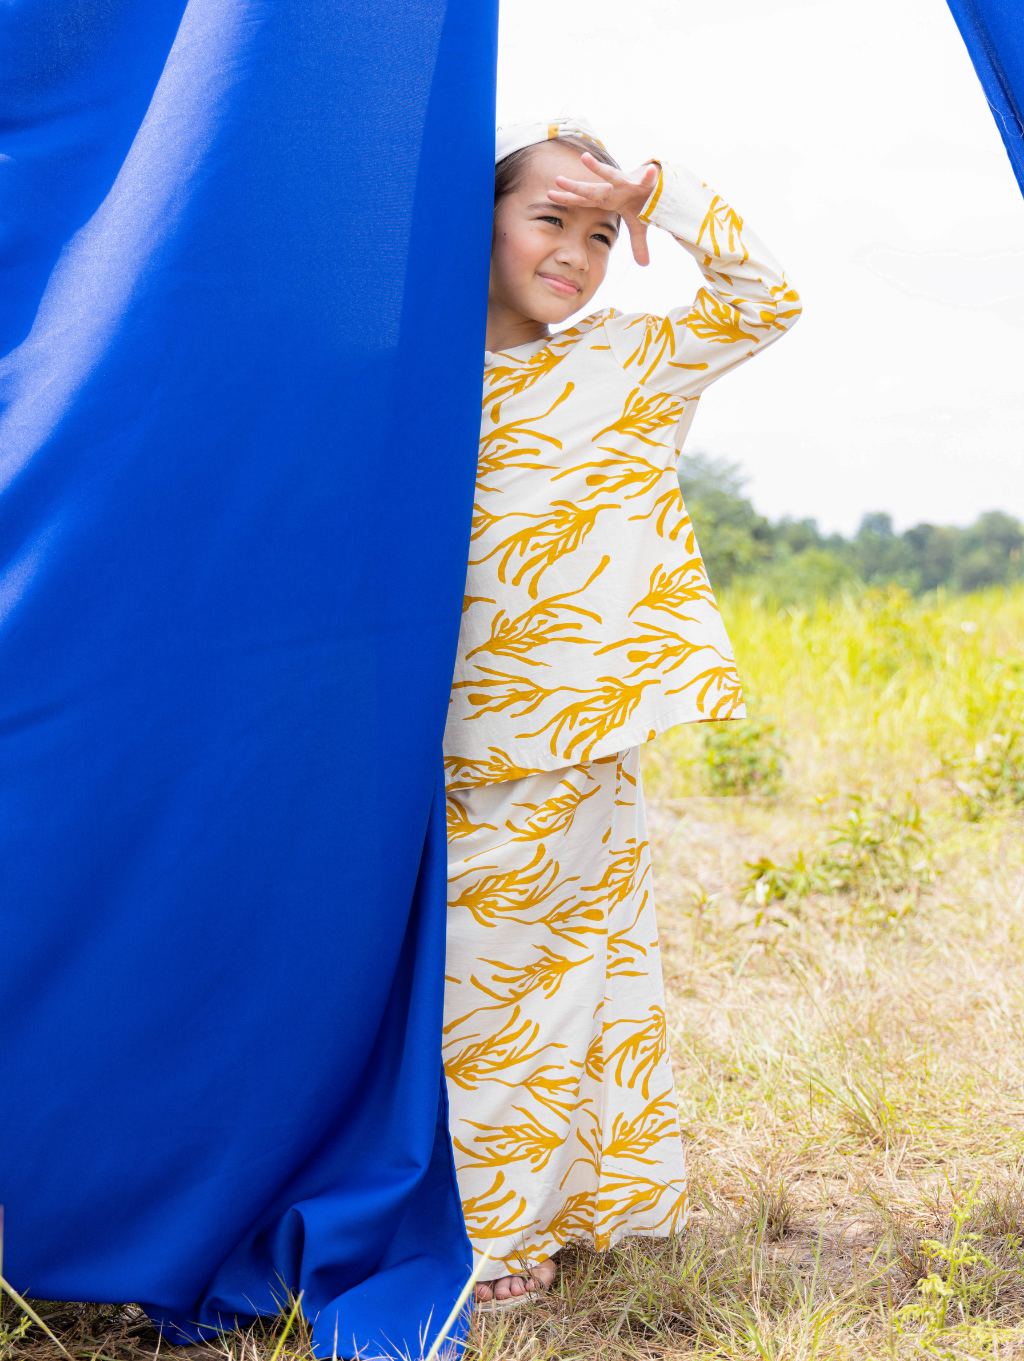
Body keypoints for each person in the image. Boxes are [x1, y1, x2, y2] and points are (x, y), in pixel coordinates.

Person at [443, 117, 801, 1306]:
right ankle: (501, 1220)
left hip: (592, 729)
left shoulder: (622, 362)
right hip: (459, 734)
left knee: (583, 974)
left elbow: (764, 301)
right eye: (550, 218)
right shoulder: (405, 376)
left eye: (601, 234)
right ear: (479, 221)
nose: (577, 253)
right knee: (494, 979)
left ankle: (558, 1212)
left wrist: (666, 192)